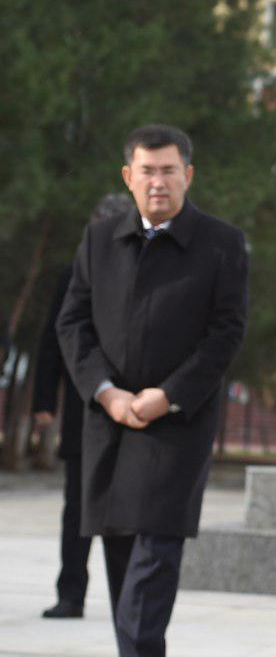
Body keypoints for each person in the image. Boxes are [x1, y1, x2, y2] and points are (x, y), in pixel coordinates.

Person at [57, 125, 248, 656]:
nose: (158, 182)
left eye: (169, 170)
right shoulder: (99, 240)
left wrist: (167, 395)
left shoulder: (221, 243)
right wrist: (104, 392)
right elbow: (72, 322)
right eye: (147, 171)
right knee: (121, 556)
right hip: (110, 422)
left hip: (176, 427)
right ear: (128, 176)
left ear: (188, 175)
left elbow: (226, 331)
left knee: (153, 556)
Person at [31, 192, 133, 619]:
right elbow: (54, 340)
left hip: (134, 413)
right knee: (78, 508)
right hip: (82, 411)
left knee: (125, 513)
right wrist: (42, 403)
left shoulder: (147, 271)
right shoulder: (74, 273)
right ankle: (70, 593)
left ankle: (125, 601)